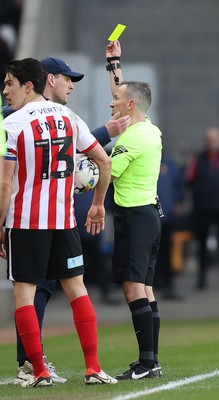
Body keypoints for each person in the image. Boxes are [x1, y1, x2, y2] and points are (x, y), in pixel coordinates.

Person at [2, 56, 131, 384]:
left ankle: (38, 371)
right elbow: (103, 160)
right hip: (63, 219)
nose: (5, 90)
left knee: (24, 293)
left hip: (26, 221)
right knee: (77, 289)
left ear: (27, 85)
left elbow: (5, 182)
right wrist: (99, 204)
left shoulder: (12, 125)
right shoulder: (68, 115)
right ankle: (93, 368)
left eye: (9, 84)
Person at [106, 40, 163, 380]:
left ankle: (147, 363)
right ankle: (151, 361)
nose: (110, 102)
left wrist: (85, 177)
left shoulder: (133, 138)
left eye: (115, 100)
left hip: (135, 216)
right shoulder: (148, 126)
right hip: (150, 215)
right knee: (146, 287)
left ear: (129, 106)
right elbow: (126, 95)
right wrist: (114, 64)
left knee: (132, 287)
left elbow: (109, 173)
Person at [186, 127, 219, 289]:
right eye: (210, 140)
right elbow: (190, 179)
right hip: (203, 209)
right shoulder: (198, 159)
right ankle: (202, 280)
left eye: (215, 139)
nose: (212, 143)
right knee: (202, 245)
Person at [154, 156, 185, 300]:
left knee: (167, 252)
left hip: (167, 218)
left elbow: (180, 186)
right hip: (151, 218)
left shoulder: (170, 165)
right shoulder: (146, 163)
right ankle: (154, 284)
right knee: (152, 253)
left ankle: (168, 283)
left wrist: (177, 203)